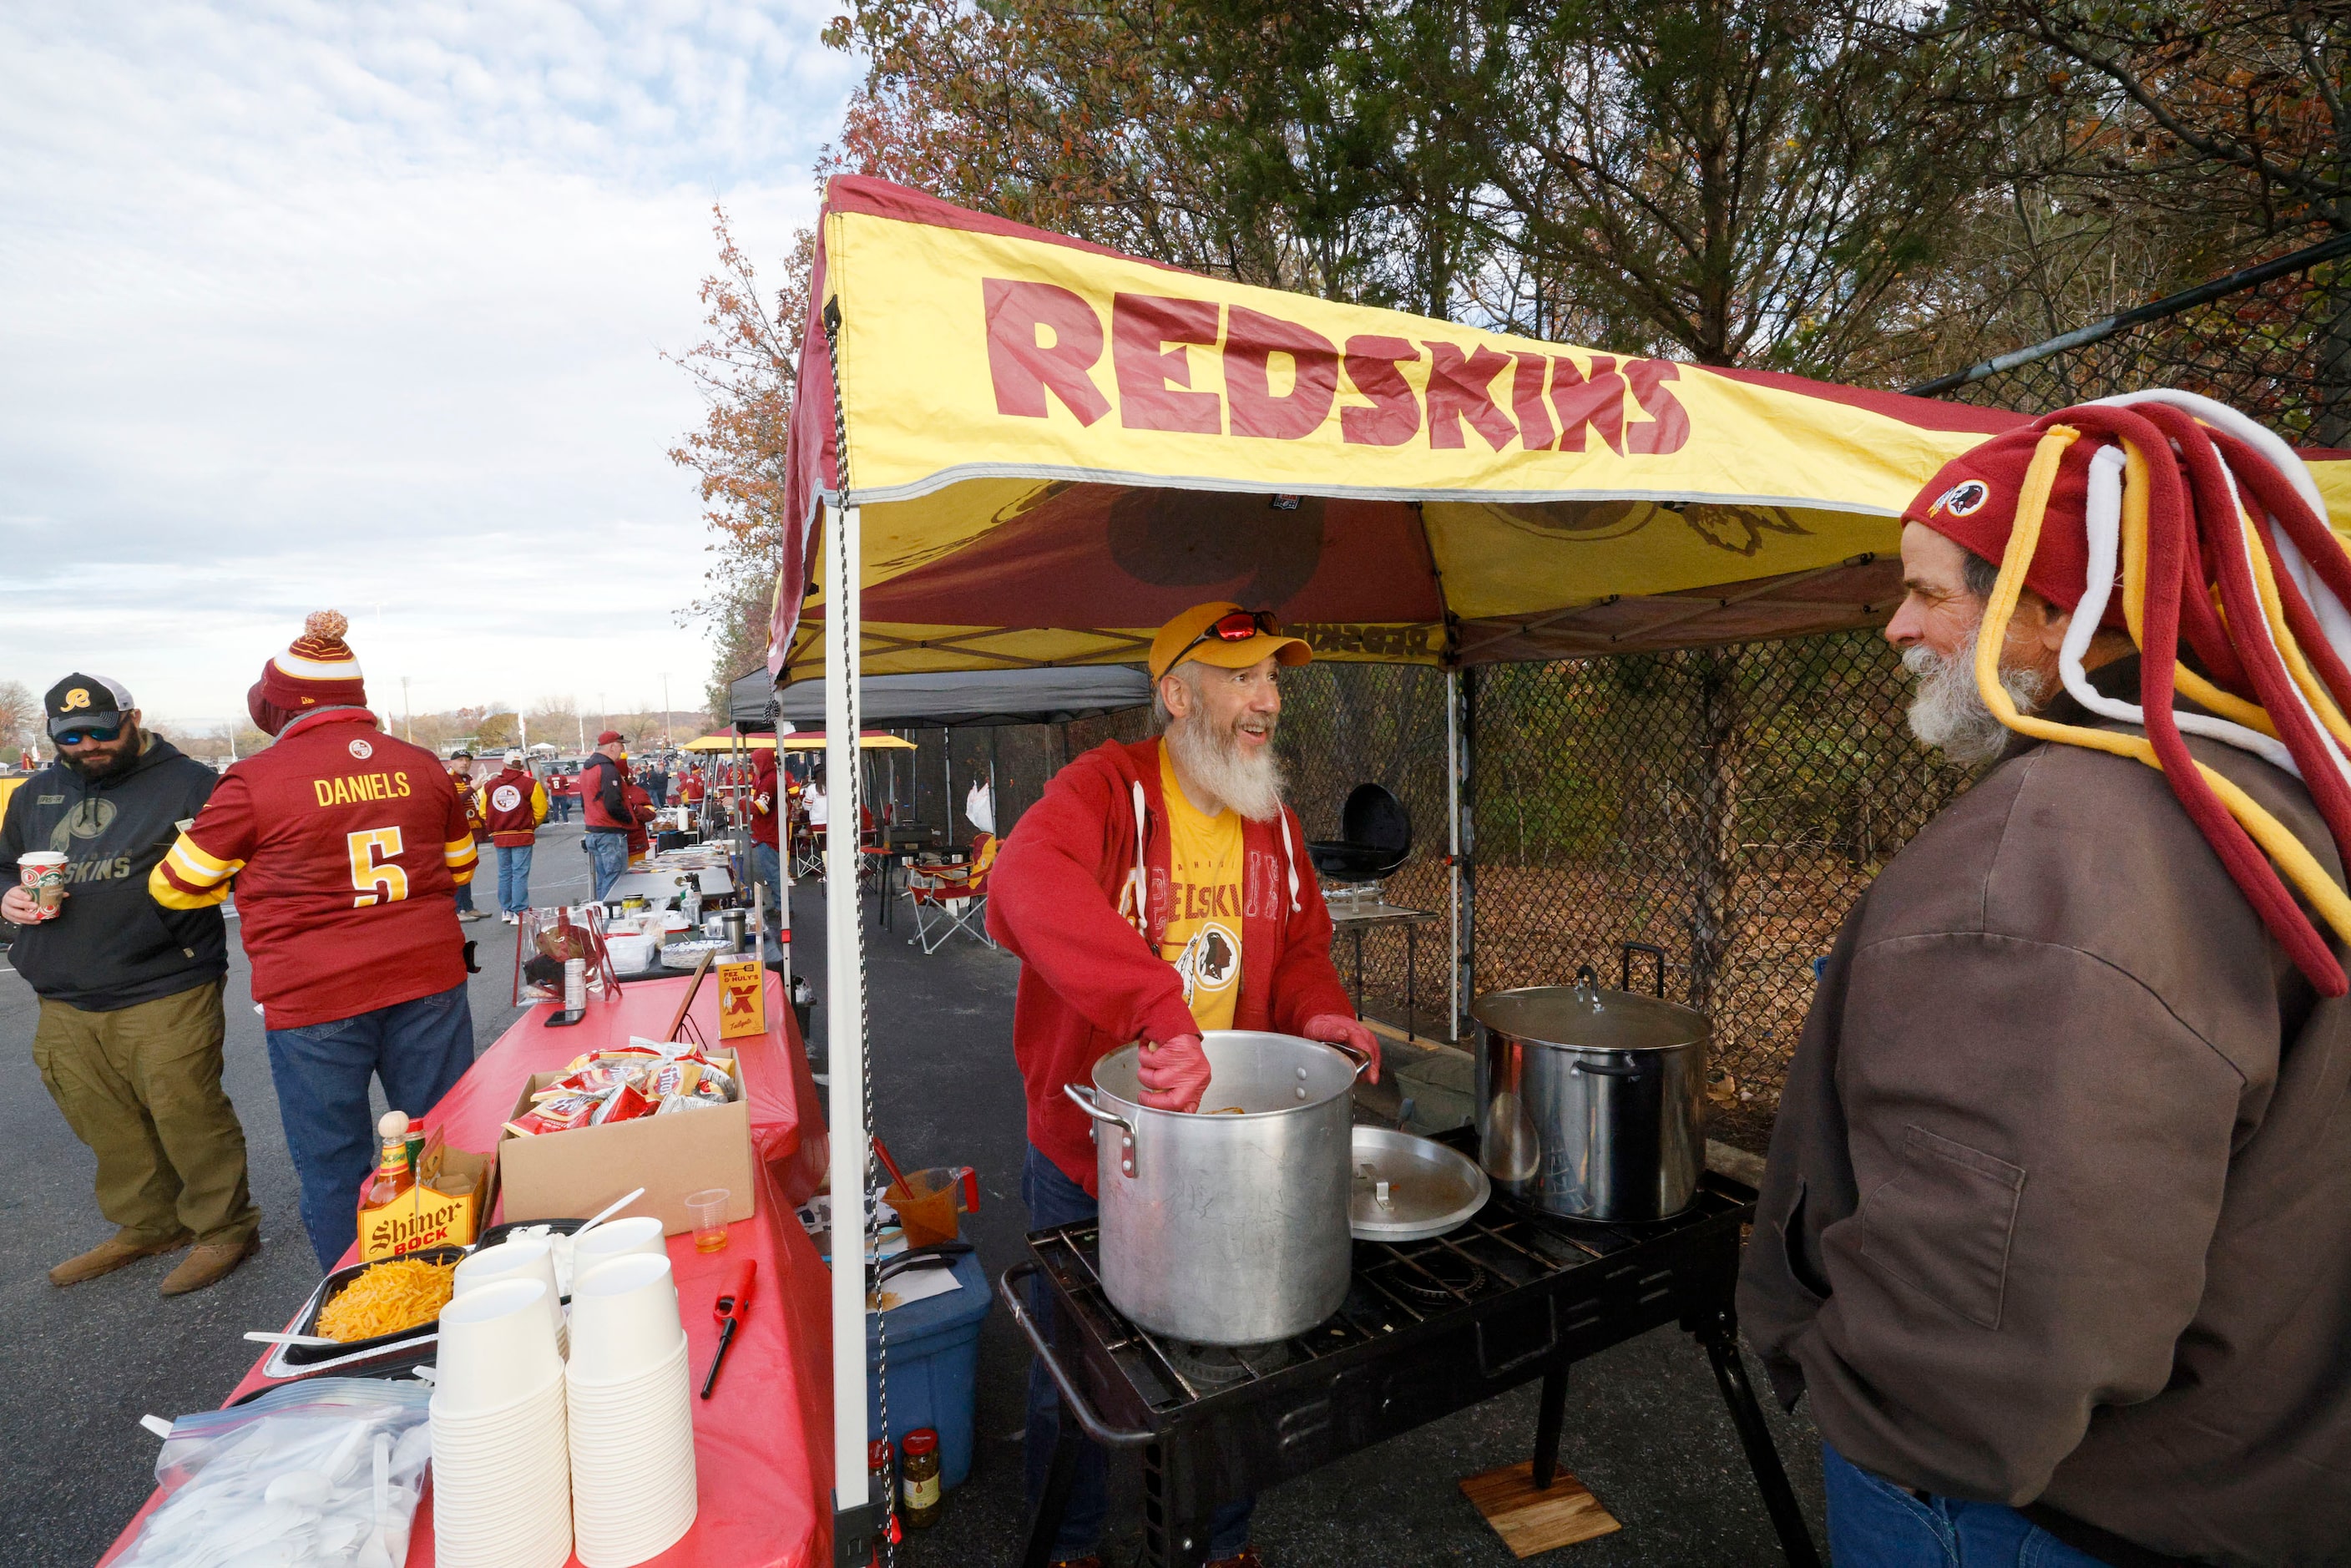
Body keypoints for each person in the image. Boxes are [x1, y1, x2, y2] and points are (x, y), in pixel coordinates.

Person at [1737, 399, 2351, 1567]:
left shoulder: (2051, 855)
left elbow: (2013, 1278)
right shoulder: (2268, 796)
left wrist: (1882, 1419)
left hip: (2020, 1508)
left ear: (2053, 609)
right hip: (2246, 1477)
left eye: (1928, 592)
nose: (1897, 627)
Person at [986, 601, 1380, 1568]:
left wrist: (1319, 1011)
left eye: (1274, 681)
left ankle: (1220, 1542)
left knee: (1234, 1357)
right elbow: (1021, 882)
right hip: (1095, 1142)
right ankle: (1070, 1544)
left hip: (1226, 1148)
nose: (1268, 701)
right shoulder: (1106, 789)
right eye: (1244, 678)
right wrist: (1157, 1008)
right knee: (1072, 1372)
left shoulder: (1271, 822)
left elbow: (1297, 952)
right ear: (1176, 694)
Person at [152, 611, 480, 1271]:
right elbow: (462, 867)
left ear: (277, 707)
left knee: (336, 1162)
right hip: (428, 979)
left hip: (317, 997)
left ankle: (358, 1297)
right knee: (447, 1141)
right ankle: (463, 1271)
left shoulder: (255, 780)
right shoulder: (421, 766)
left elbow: (175, 887)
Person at [1, 674, 259, 1296]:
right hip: (62, 990)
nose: (87, 745)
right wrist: (5, 899)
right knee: (103, 1118)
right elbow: (4, 867)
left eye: (100, 730)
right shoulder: (35, 794)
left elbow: (251, 865)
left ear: (132, 717)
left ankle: (225, 1228)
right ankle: (149, 1225)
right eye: (70, 736)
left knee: (186, 1110)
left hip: (166, 979)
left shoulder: (193, 783)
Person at [478, 749, 549, 923]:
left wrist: (496, 824)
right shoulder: (530, 784)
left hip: (500, 835)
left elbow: (483, 811)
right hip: (522, 834)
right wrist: (531, 824)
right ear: (521, 766)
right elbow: (541, 810)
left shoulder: (489, 786)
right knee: (519, 873)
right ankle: (520, 911)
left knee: (504, 873)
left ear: (504, 764)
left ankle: (506, 910)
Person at [578, 731, 632, 901]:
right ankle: (611, 916)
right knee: (614, 880)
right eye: (621, 747)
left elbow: (584, 801)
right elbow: (612, 804)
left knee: (603, 878)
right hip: (609, 832)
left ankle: (602, 913)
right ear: (612, 746)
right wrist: (628, 818)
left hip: (594, 830)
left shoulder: (587, 769)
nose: (622, 751)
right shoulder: (607, 770)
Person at [445, 750, 488, 923]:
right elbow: (453, 803)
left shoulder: (469, 779)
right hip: (457, 833)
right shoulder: (448, 780)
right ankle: (456, 908)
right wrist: (472, 789)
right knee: (457, 870)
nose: (464, 763)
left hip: (472, 830)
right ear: (451, 762)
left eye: (467, 760)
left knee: (468, 870)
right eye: (460, 760)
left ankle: (468, 906)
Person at [748, 745, 783, 924]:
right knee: (772, 873)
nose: (752, 768)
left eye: (754, 764)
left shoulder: (769, 780)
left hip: (768, 833)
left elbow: (762, 807)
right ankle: (781, 906)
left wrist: (741, 803)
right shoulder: (767, 779)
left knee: (773, 873)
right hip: (767, 832)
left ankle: (783, 908)